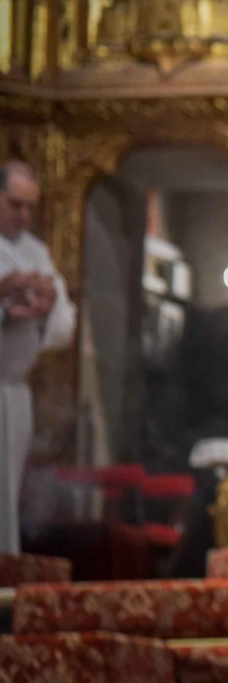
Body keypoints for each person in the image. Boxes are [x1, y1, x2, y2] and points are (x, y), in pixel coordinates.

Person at [0, 161, 76, 554]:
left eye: (31, 207)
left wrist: (45, 307)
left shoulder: (36, 251)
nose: (24, 215)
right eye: (15, 204)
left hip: (13, 389)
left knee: (7, 498)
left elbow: (64, 322)